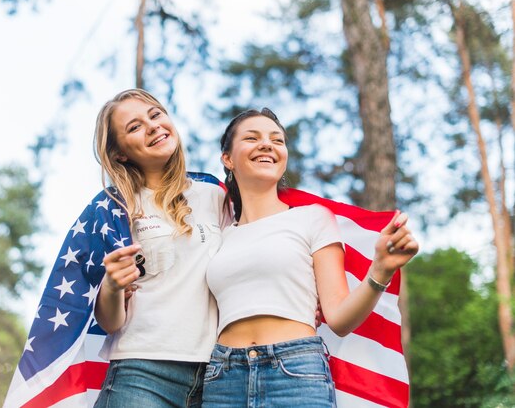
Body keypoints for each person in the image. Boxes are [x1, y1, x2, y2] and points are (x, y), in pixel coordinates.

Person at [203, 108, 419, 407]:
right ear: (227, 158)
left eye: (277, 140)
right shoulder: (218, 234)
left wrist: (380, 270)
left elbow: (339, 319)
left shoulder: (313, 219)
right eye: (252, 138)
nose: (267, 145)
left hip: (295, 371)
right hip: (223, 377)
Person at [91, 88, 227, 408]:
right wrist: (111, 285)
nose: (153, 126)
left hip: (219, 378)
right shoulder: (115, 209)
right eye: (135, 127)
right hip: (141, 375)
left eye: (155, 115)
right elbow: (109, 322)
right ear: (119, 153)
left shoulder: (217, 196)